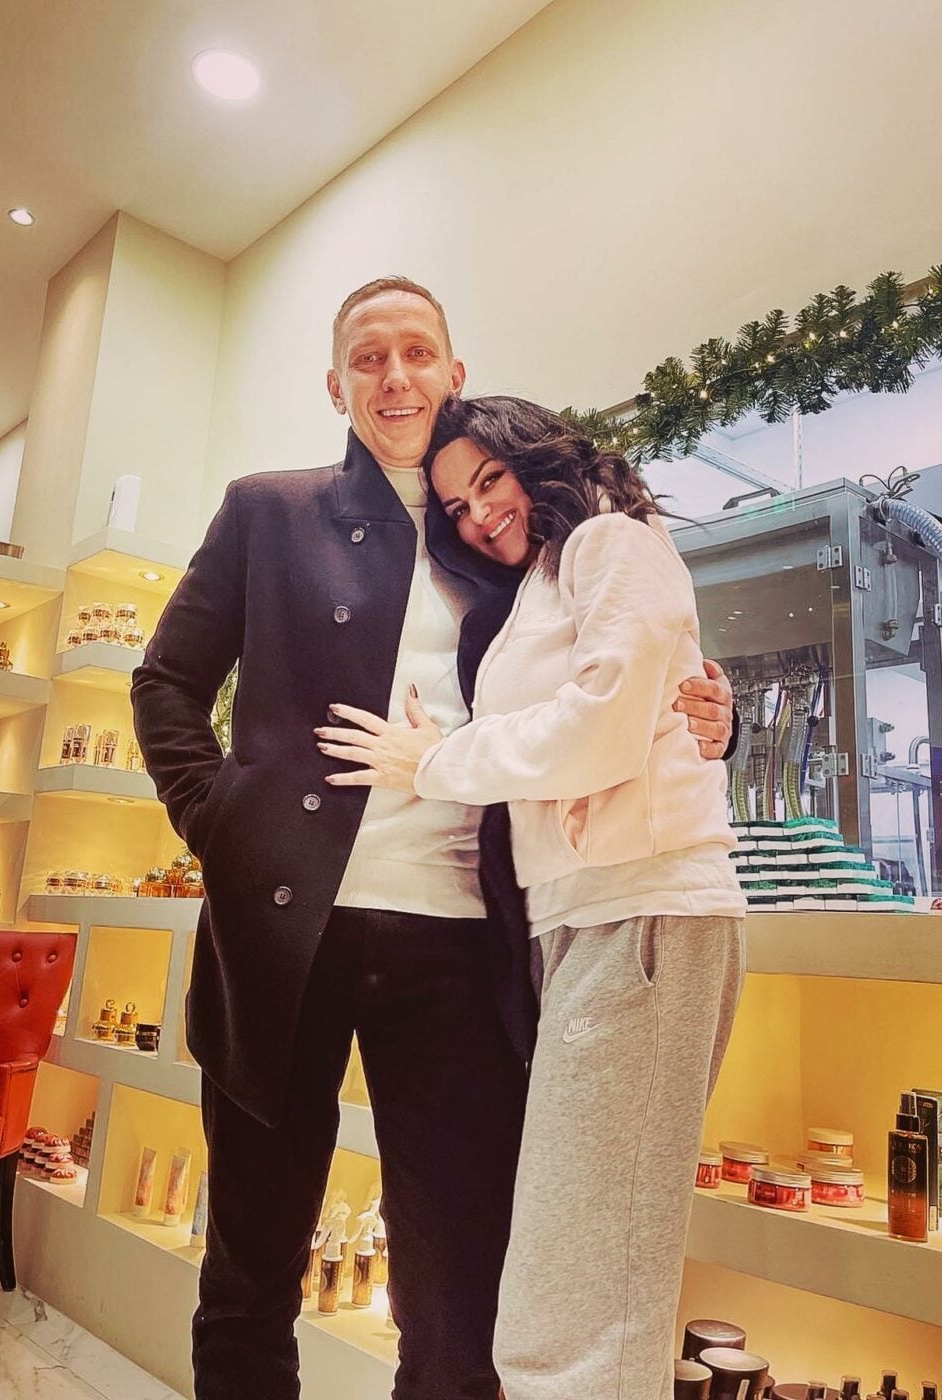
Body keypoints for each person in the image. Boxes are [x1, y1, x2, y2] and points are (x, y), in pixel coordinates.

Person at [131, 280, 735, 1400]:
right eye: (368, 358)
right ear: (336, 386)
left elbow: (610, 660)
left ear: (454, 374)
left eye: (417, 353)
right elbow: (165, 681)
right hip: (284, 931)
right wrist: (218, 820)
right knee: (251, 1262)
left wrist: (708, 705)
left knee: (458, 1292)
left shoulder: (508, 536)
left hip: (461, 935)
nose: (394, 376)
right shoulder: (268, 510)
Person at [317, 394, 746, 1400]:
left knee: (582, 1285)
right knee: (571, 1266)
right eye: (457, 505)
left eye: (490, 481)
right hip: (575, 921)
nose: (478, 514)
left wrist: (434, 761)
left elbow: (605, 724)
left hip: (641, 908)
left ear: (537, 458)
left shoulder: (610, 541)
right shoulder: (538, 587)